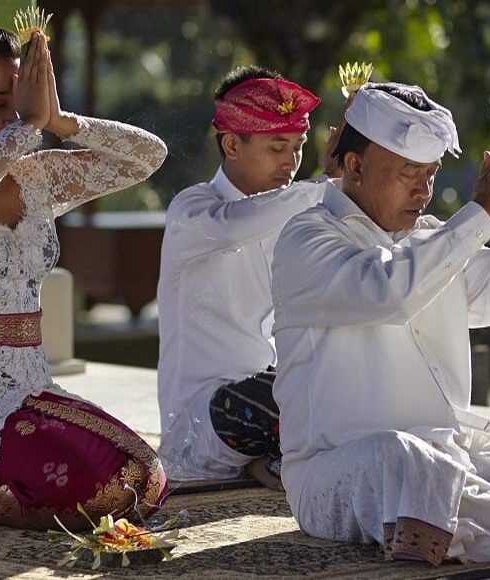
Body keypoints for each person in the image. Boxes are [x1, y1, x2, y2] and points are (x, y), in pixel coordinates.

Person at [270, 82, 490, 564]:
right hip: (335, 473)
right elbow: (390, 293)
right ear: (355, 167)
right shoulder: (305, 239)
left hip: (448, 456)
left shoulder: (433, 240)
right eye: (409, 173)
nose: (423, 191)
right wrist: (481, 214)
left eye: (431, 173)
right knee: (405, 460)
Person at [0, 28, 168, 530]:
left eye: (21, 104)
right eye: (1, 103)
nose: (15, 117)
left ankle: (13, 497)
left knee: (143, 475)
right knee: (93, 485)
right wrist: (30, 125)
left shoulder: (38, 177)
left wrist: (61, 120)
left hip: (29, 393)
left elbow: (148, 157)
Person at [156, 66, 330, 490]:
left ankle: (273, 460)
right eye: (277, 147)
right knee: (274, 397)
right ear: (232, 144)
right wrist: (330, 185)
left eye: (298, 147)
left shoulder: (289, 215)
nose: (291, 162)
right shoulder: (192, 210)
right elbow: (236, 226)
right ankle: (281, 460)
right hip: (203, 422)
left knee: (336, 375)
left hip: (268, 391)